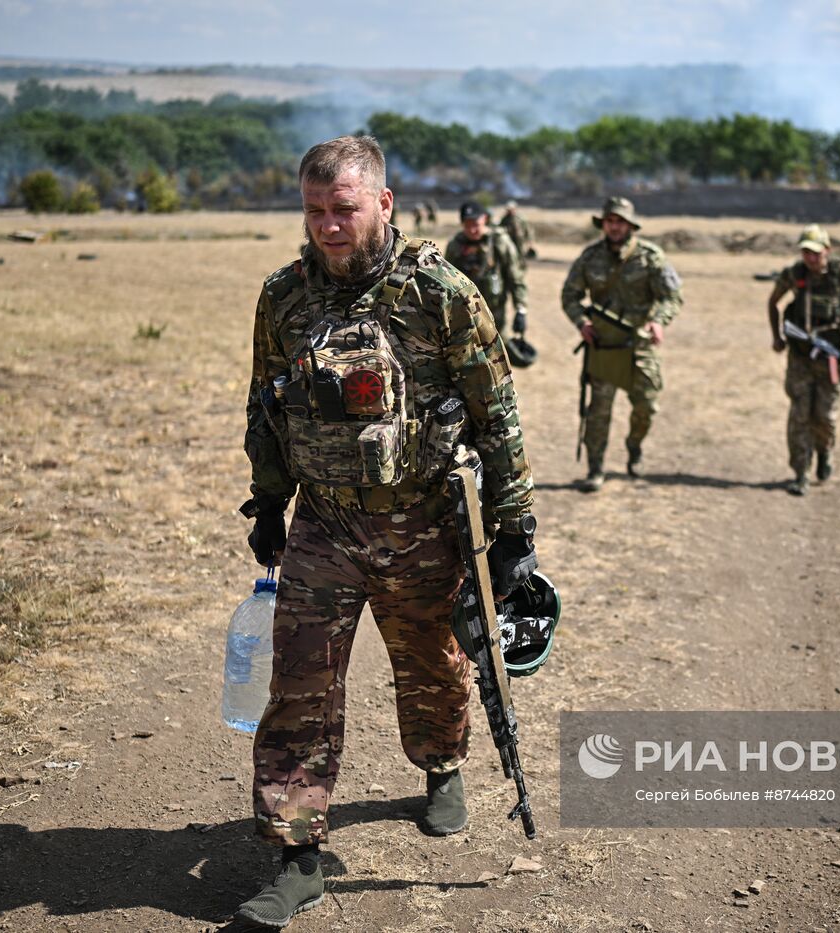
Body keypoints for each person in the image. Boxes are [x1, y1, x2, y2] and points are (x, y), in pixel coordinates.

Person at [236, 135, 538, 928]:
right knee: (300, 681)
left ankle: (441, 765)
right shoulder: (284, 296)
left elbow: (497, 415)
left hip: (425, 524)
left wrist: (514, 527)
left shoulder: (441, 293)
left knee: (430, 664)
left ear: (382, 204)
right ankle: (295, 853)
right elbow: (264, 402)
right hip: (324, 524)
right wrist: (269, 500)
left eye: (342, 209)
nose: (327, 226)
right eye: (313, 211)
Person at [561, 195, 682, 492]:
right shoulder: (589, 258)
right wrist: (581, 323)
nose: (614, 227)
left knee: (647, 406)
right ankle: (595, 469)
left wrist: (659, 322)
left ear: (631, 225)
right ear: (603, 224)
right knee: (598, 411)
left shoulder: (650, 257)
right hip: (604, 347)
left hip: (640, 345)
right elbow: (570, 295)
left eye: (620, 222)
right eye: (610, 221)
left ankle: (634, 446)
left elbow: (671, 297)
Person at [767, 223, 840, 496]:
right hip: (800, 357)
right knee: (800, 414)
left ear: (827, 251)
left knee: (825, 416)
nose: (810, 258)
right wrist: (777, 337)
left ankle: (824, 453)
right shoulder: (794, 274)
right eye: (806, 252)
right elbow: (772, 302)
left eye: (816, 252)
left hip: (830, 358)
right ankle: (800, 473)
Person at [444, 200, 529, 340]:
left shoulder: (499, 241)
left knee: (499, 353)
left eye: (476, 225)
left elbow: (516, 277)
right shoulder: (455, 245)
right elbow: (445, 280)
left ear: (484, 219)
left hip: (495, 314)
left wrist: (521, 310)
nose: (472, 230)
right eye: (467, 226)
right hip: (463, 315)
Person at [498, 199, 536, 265]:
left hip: (520, 240)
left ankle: (520, 265)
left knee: (520, 253)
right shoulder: (505, 219)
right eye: (508, 210)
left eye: (511, 209)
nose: (509, 211)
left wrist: (530, 243)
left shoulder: (521, 218)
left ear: (515, 209)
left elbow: (528, 230)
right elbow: (500, 228)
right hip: (509, 239)